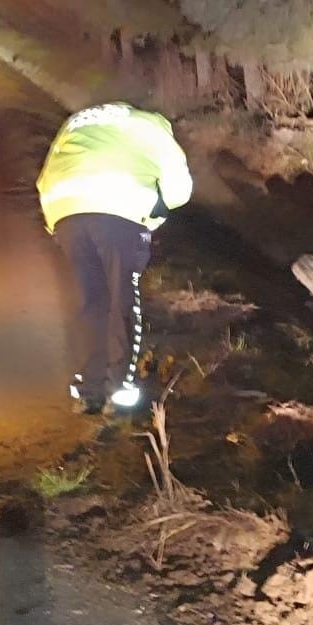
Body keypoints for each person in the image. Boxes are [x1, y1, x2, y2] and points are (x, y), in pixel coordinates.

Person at [36, 102, 193, 415]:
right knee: (122, 297)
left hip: (63, 209)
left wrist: (57, 219)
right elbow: (179, 190)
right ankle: (121, 389)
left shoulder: (77, 121)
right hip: (117, 209)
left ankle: (88, 389)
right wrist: (156, 210)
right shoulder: (153, 125)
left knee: (90, 301)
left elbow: (46, 175)